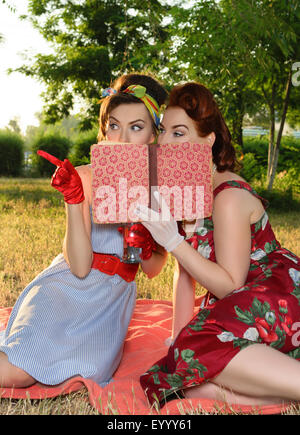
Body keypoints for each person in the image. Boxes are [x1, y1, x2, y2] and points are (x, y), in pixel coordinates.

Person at [136, 82, 300, 407]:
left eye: (179, 133)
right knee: (183, 372)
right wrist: (177, 340)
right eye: (163, 131)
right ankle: (274, 391)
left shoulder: (227, 197)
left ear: (207, 140)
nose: (165, 142)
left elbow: (231, 285)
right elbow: (184, 274)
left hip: (277, 294)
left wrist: (171, 240)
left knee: (195, 350)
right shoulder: (186, 190)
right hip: (245, 305)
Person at [0, 73, 168, 388]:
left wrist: (145, 245)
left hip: (109, 304)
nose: (122, 138)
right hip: (64, 290)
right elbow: (78, 266)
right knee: (17, 373)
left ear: (153, 135)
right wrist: (75, 199)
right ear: (104, 131)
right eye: (114, 126)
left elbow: (154, 268)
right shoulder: (85, 177)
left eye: (136, 127)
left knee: (86, 372)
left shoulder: (161, 187)